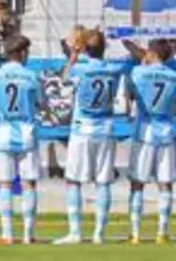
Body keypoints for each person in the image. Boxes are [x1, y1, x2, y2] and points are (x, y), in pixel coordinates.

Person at [57, 28, 128, 245]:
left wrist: (72, 56)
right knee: (103, 182)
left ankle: (76, 232)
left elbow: (64, 80)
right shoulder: (114, 70)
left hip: (82, 129)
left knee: (73, 181)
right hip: (105, 128)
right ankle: (99, 233)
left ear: (85, 48)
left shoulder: (80, 69)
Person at [126, 38, 176, 244]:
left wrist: (142, 67)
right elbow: (175, 102)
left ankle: (135, 233)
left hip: (144, 130)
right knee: (165, 184)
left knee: (137, 183)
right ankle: (162, 231)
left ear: (151, 53)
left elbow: (131, 96)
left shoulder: (137, 73)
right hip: (166, 130)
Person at [0, 34, 43, 245]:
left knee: (5, 184)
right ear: (21, 53)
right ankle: (28, 234)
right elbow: (40, 103)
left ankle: (7, 234)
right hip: (27, 132)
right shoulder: (31, 76)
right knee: (29, 184)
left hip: (5, 133)